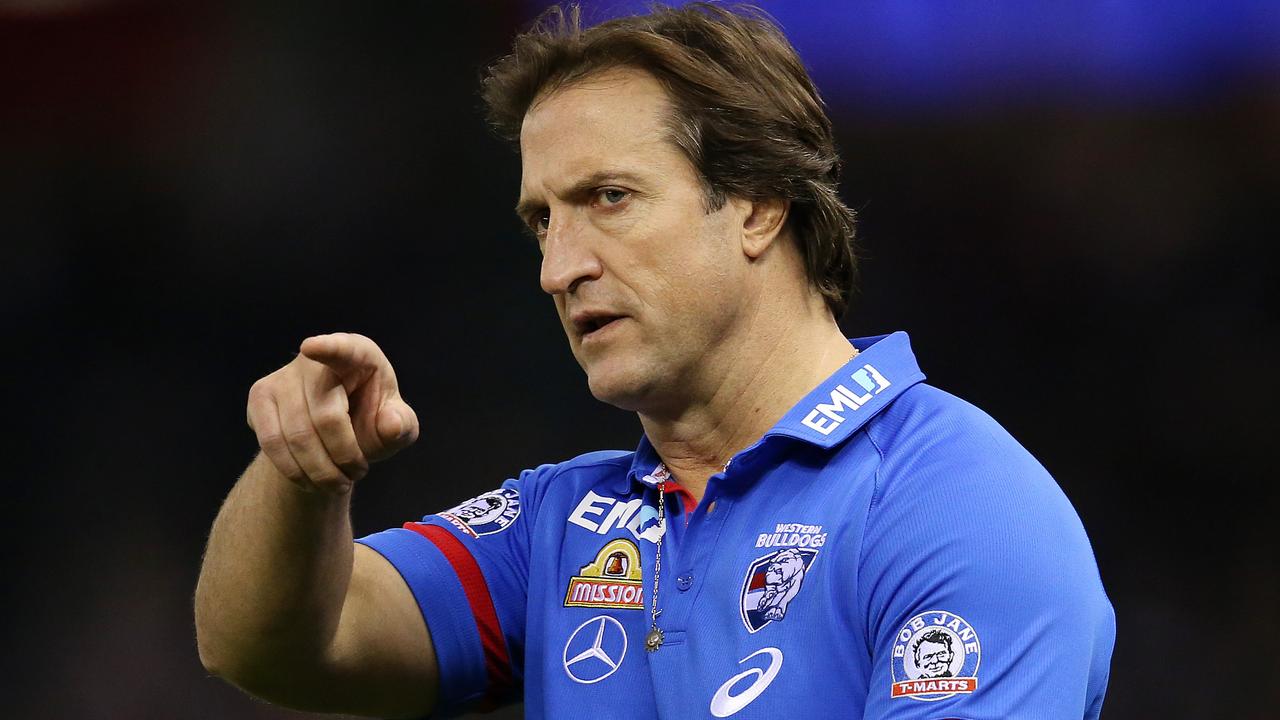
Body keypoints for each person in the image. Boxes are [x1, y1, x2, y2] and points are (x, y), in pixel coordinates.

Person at [194, 4, 1115, 719]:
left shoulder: (956, 508)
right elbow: (264, 647)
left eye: (609, 198)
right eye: (542, 221)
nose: (560, 268)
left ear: (756, 203)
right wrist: (302, 474)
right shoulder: (563, 527)